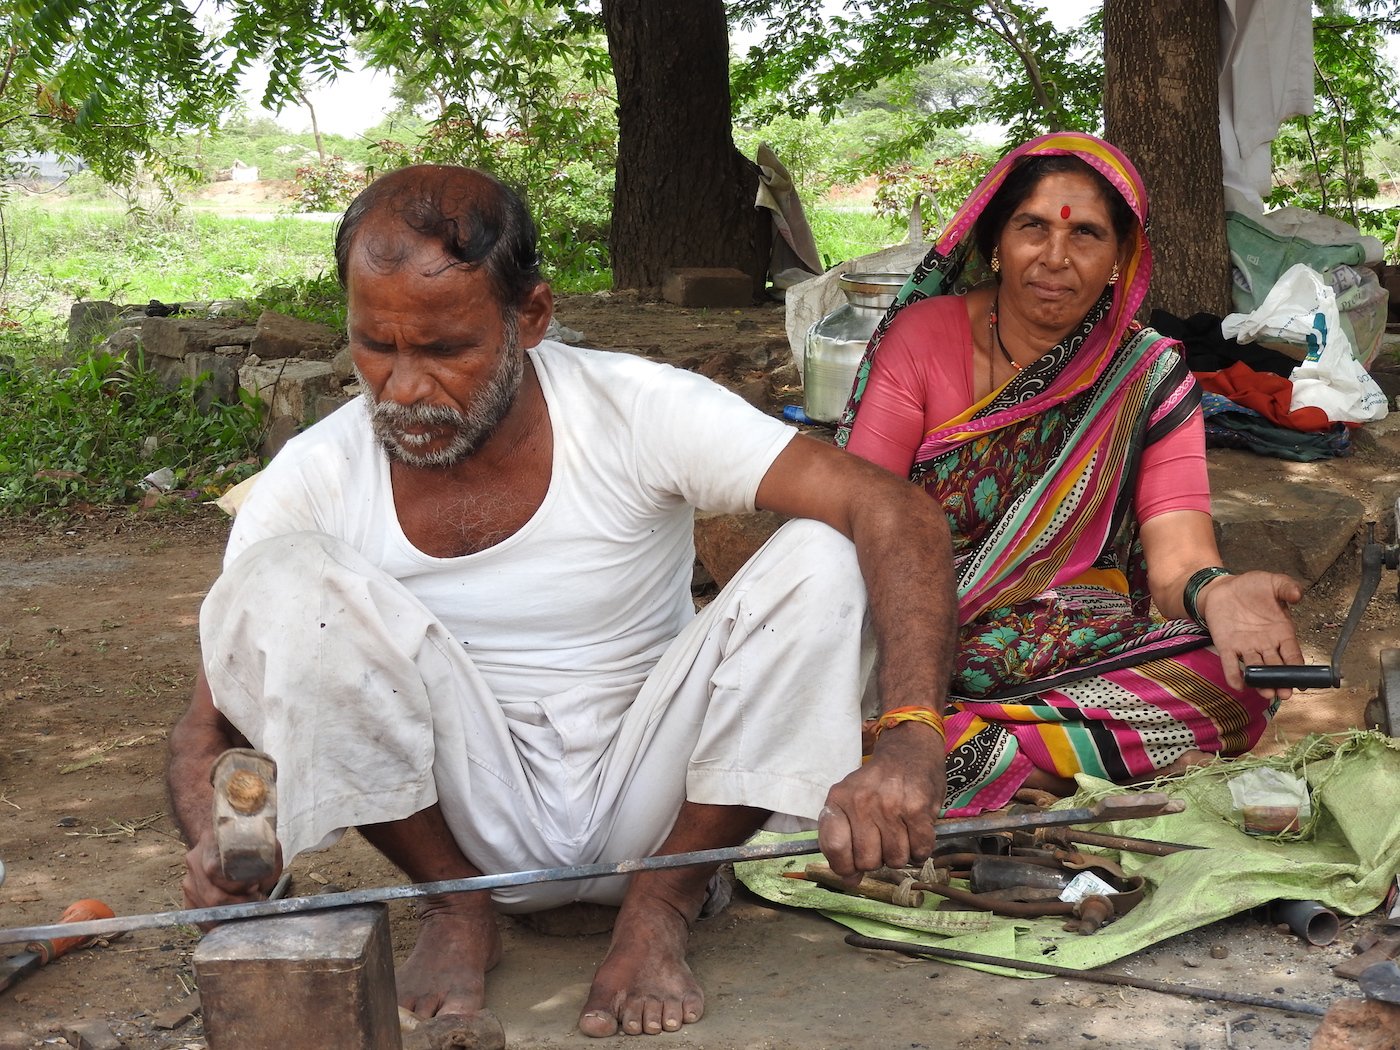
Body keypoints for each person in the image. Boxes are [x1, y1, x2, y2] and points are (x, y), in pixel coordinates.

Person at [168, 165, 957, 1038]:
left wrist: (912, 737)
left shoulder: (634, 407)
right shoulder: (316, 476)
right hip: (467, 818)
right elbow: (213, 722)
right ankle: (453, 910)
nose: (403, 389)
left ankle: (663, 905)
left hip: (657, 793)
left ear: (531, 318)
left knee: (825, 551)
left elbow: (895, 509)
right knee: (283, 579)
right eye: (375, 347)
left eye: (444, 350)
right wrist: (216, 838)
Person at [836, 132, 1305, 816]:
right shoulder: (921, 339)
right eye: (1032, 228)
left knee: (1238, 683)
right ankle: (1018, 759)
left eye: (1085, 235)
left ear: (1121, 257)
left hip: (1068, 643)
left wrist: (1220, 593)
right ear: (998, 239)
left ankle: (954, 756)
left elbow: (1178, 563)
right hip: (916, 635)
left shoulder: (1147, 373)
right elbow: (857, 510)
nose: (1055, 259)